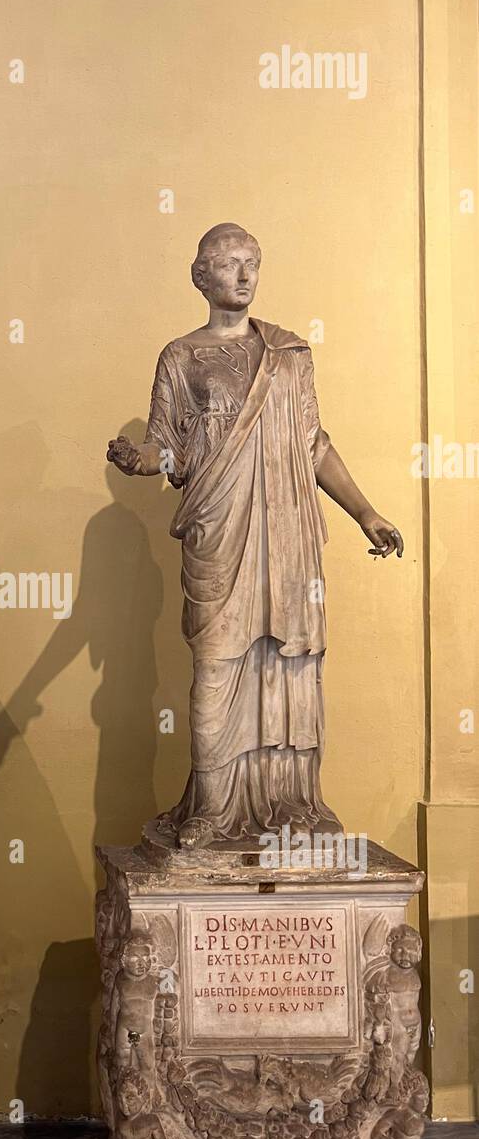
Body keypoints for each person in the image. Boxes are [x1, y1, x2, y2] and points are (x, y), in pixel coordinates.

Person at [108, 224, 403, 849]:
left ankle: (289, 805)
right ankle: (212, 809)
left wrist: (366, 513)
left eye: (253, 263)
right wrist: (140, 461)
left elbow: (312, 444)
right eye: (229, 263)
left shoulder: (289, 354)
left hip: (288, 533)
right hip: (221, 533)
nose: (243, 275)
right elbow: (173, 455)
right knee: (218, 663)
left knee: (289, 663)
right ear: (200, 276)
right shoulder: (181, 357)